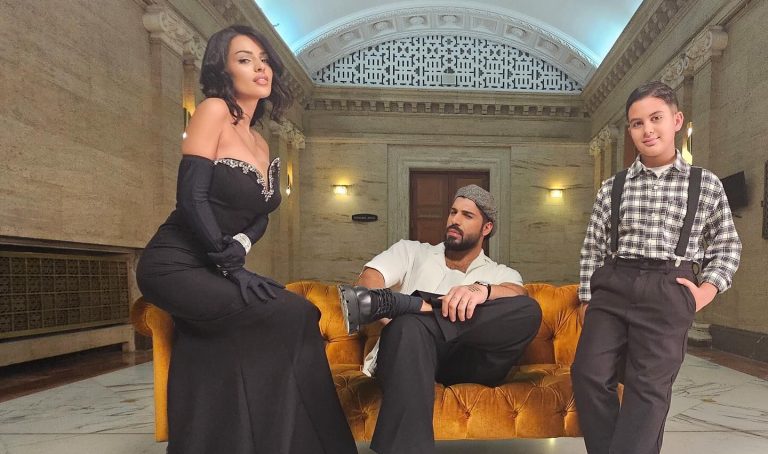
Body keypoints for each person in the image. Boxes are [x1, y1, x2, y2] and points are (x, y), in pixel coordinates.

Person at [136, 25, 356, 454]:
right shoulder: (213, 110)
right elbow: (191, 197)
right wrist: (231, 264)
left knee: (268, 329)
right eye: (244, 59)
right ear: (223, 70)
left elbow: (260, 215)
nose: (260, 67)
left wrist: (241, 245)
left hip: (217, 265)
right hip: (173, 264)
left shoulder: (260, 141)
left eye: (264, 59)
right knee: (294, 313)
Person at [571, 81, 741, 454]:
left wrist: (704, 292)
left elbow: (727, 245)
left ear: (676, 121)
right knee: (588, 373)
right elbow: (593, 246)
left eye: (655, 118)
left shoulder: (705, 184)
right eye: (637, 123)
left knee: (647, 387)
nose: (647, 130)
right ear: (630, 131)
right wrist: (586, 298)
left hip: (669, 285)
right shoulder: (612, 187)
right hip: (614, 283)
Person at [337, 185, 542, 454]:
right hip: (409, 353)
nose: (455, 220)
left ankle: (411, 305)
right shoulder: (411, 251)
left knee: (529, 309)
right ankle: (412, 313)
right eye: (453, 212)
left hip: (468, 361)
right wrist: (404, 319)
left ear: (487, 228)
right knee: (409, 326)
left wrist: (482, 290)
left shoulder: (499, 273)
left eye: (467, 215)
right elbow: (367, 284)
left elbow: (518, 294)